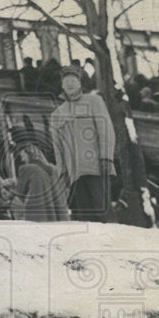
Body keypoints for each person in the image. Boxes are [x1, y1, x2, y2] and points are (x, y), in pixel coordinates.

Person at [49, 65, 117, 223]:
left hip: (96, 168)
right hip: (74, 173)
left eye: (73, 80)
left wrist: (106, 157)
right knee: (84, 216)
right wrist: (62, 171)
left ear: (80, 83)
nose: (70, 84)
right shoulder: (57, 114)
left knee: (103, 211)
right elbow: (57, 146)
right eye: (66, 81)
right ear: (62, 85)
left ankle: (113, 242)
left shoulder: (94, 101)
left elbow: (106, 130)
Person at [8, 137, 70, 223]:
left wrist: (8, 187)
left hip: (34, 216)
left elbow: (19, 193)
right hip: (54, 218)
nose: (21, 158)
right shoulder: (53, 171)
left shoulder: (27, 168)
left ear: (28, 153)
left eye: (22, 154)